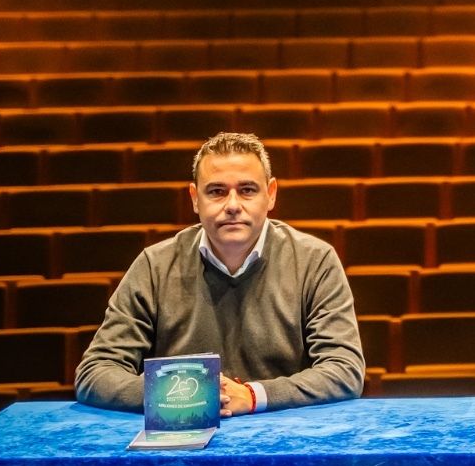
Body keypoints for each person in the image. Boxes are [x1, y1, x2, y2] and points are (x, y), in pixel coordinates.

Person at [76, 131, 365, 415]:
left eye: (247, 190)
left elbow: (344, 368)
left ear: (271, 194)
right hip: (182, 442)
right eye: (216, 191)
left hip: (285, 440)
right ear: (194, 198)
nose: (232, 205)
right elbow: (95, 372)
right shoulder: (155, 265)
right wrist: (190, 396)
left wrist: (253, 396)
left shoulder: (315, 261)